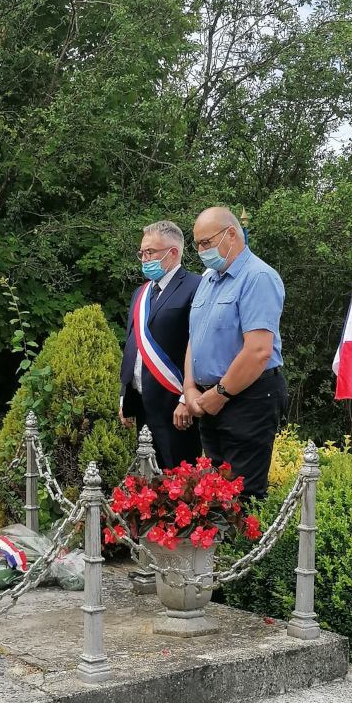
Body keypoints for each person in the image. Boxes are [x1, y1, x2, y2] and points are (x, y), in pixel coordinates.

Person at [184, 206, 288, 500]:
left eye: (206, 243)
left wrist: (219, 394)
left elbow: (258, 351)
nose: (201, 250)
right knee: (213, 495)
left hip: (248, 399)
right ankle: (216, 548)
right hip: (209, 400)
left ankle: (242, 549)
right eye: (198, 245)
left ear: (231, 234)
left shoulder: (258, 277)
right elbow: (195, 338)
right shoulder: (208, 279)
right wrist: (190, 389)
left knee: (241, 499)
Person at [120, 220, 202, 468]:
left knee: (179, 483)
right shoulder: (141, 293)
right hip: (144, 403)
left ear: (173, 252)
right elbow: (133, 345)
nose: (144, 259)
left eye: (150, 252)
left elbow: (198, 345)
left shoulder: (197, 287)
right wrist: (125, 395)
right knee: (147, 484)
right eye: (142, 253)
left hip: (176, 405)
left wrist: (187, 399)